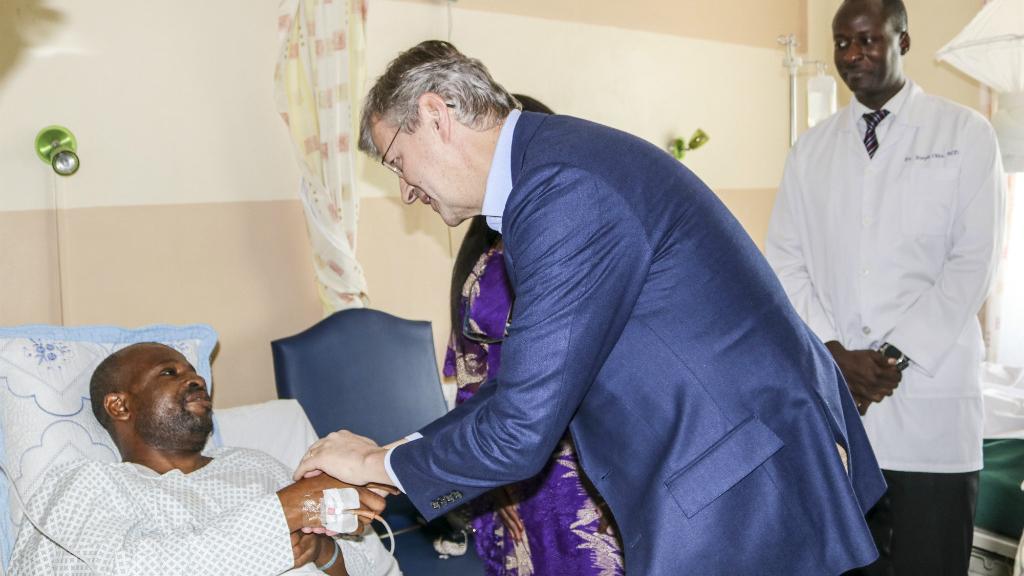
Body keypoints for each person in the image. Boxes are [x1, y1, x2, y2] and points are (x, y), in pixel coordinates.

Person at [296, 40, 887, 575]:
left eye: (397, 162)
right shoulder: (554, 167)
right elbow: (529, 383)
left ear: (435, 115)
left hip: (740, 483)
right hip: (732, 463)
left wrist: (375, 465)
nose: (404, 191)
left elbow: (520, 431)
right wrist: (392, 456)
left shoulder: (560, 189)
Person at [765, 1, 1005, 574]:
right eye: (842, 42)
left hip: (930, 408)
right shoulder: (810, 151)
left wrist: (892, 356)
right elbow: (786, 262)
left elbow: (972, 262)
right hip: (842, 408)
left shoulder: (965, 134)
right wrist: (833, 352)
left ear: (904, 41)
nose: (853, 55)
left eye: (868, 40)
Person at [9, 342, 400, 576]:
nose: (196, 379)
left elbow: (371, 568)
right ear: (119, 405)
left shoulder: (255, 465)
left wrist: (323, 552)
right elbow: (134, 567)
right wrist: (284, 511)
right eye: (169, 372)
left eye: (195, 372)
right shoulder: (84, 484)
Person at [443, 93, 624, 575]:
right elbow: (472, 384)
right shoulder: (483, 264)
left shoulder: (577, 243)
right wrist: (490, 475)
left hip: (585, 463)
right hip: (520, 465)